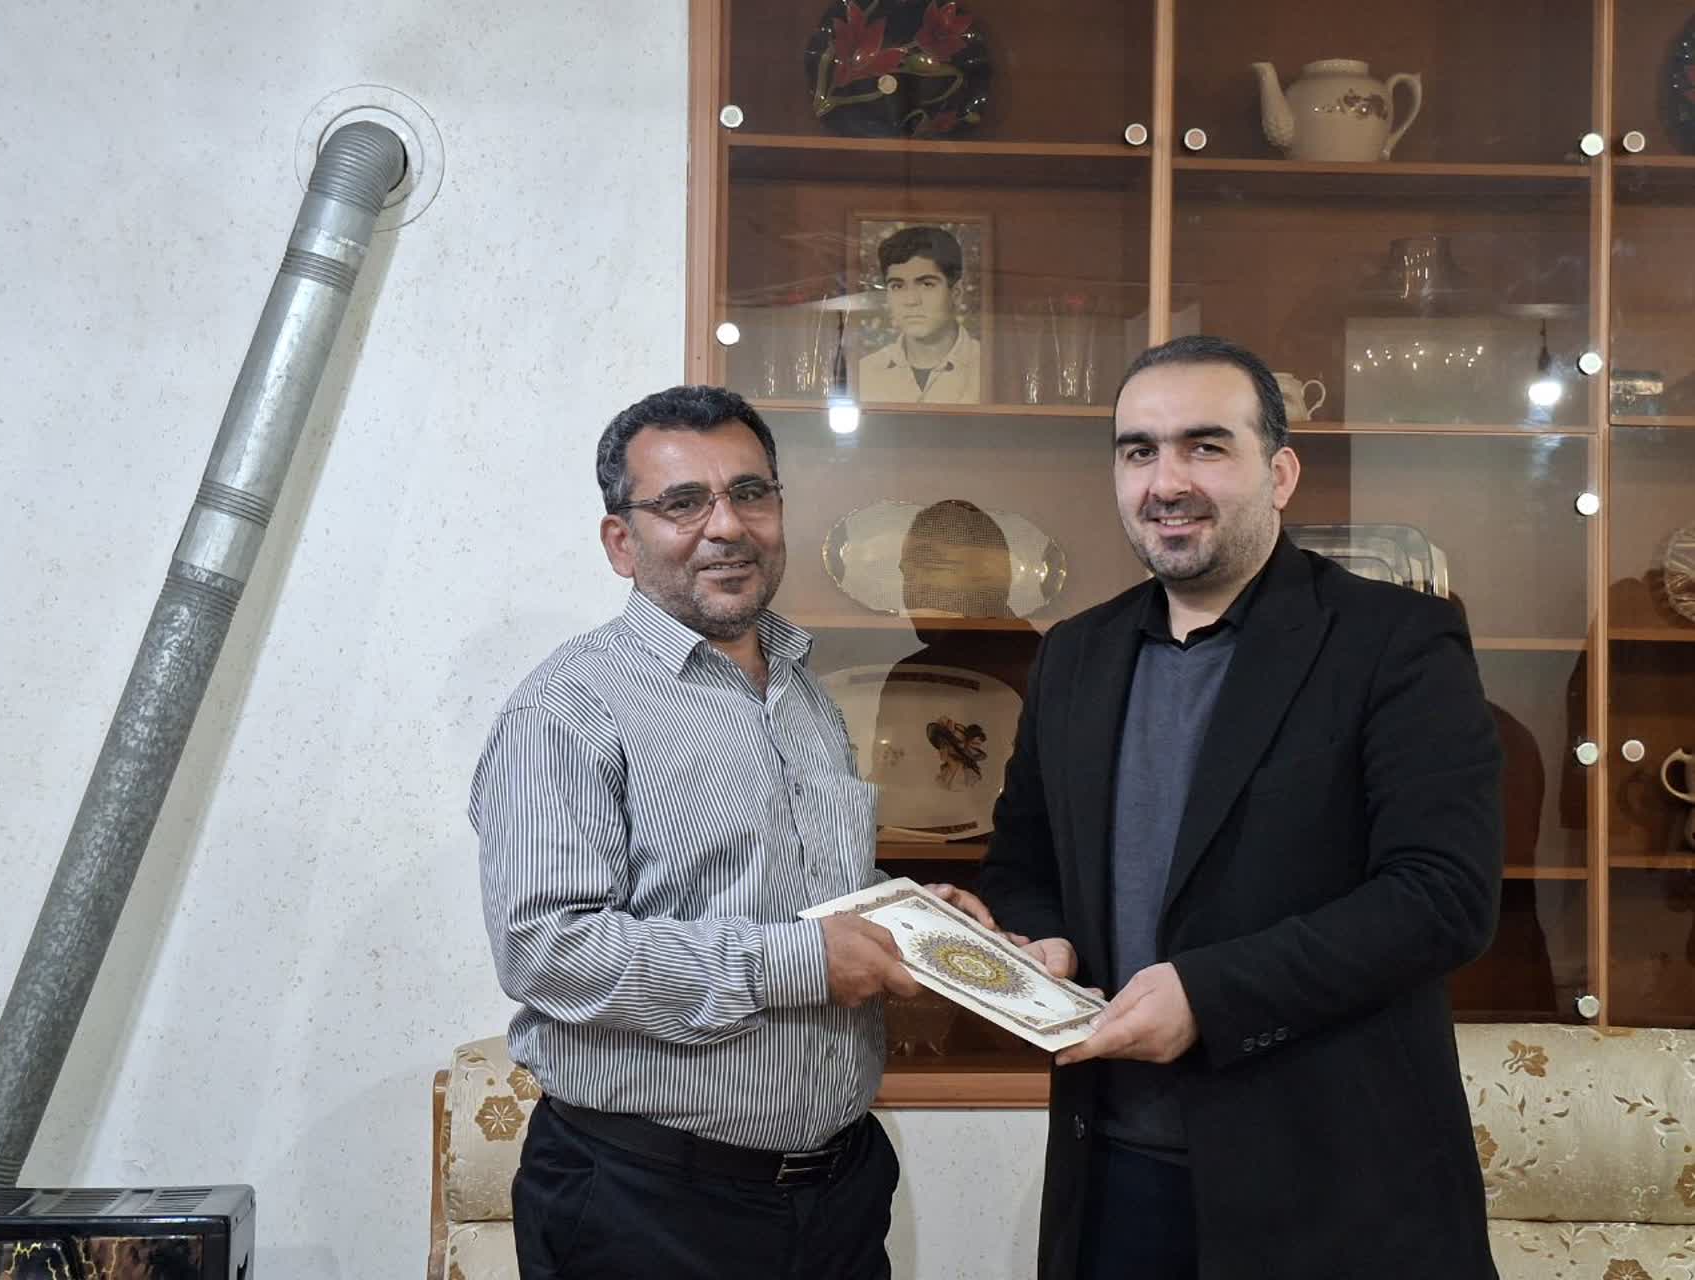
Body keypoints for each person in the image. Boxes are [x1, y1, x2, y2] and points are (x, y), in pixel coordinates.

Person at [971, 335, 1505, 1279]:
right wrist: (1043, 942)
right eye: (1138, 451)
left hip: (1336, 1192)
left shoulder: (1395, 640)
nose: (1165, 482)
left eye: (1205, 447)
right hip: (1113, 1177)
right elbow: (1024, 865)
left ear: (1280, 473)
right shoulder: (1074, 654)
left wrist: (1208, 997)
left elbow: (1441, 896)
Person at [470, 384, 924, 1280]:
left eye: (750, 493)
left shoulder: (803, 691)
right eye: (682, 503)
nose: (727, 527)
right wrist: (802, 963)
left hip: (837, 1193)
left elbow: (810, 893)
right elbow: (546, 951)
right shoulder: (566, 709)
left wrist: (913, 917)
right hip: (645, 1206)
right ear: (620, 542)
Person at [858, 226, 982, 405]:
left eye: (926, 284)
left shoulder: (990, 369)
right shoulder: (864, 372)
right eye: (897, 286)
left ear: (956, 293)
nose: (911, 301)